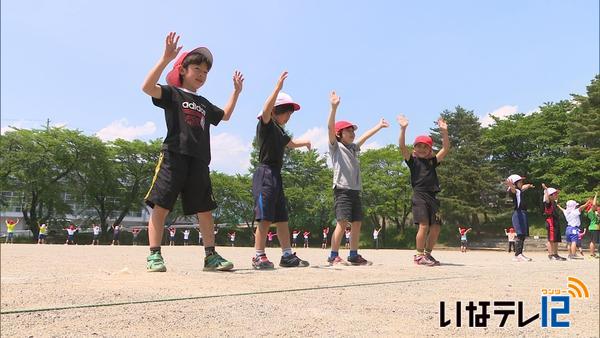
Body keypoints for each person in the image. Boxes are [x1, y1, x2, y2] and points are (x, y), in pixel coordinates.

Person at [141, 32, 242, 272]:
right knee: (161, 206)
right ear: (183, 70)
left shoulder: (204, 103)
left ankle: (211, 256)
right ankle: (154, 255)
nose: (201, 74)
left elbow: (225, 116)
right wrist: (166, 58)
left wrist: (236, 92)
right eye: (197, 68)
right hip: (174, 156)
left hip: (199, 161)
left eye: (206, 72)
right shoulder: (173, 93)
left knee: (205, 210)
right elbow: (146, 87)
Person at [251, 72, 310, 270]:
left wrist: (306, 143)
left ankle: (287, 255)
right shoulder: (267, 125)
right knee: (265, 217)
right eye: (287, 113)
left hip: (276, 174)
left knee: (281, 218)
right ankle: (258, 255)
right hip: (265, 173)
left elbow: (290, 144)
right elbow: (266, 111)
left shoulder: (280, 131)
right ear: (277, 111)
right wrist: (276, 89)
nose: (289, 118)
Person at [327, 91, 389, 265]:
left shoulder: (353, 148)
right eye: (348, 131)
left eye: (352, 131)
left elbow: (365, 137)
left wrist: (378, 126)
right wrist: (333, 108)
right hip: (342, 190)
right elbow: (330, 128)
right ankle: (333, 255)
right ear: (339, 133)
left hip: (355, 190)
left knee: (357, 223)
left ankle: (353, 255)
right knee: (342, 222)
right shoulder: (336, 147)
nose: (352, 133)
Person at [398, 114, 450, 266]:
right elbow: (402, 147)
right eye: (418, 146)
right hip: (419, 196)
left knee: (436, 227)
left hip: (433, 197)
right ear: (414, 149)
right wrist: (403, 129)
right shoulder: (412, 162)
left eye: (425, 146)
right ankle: (419, 255)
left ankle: (427, 253)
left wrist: (444, 132)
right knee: (424, 225)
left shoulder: (433, 162)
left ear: (429, 149)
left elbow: (446, 148)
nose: (421, 148)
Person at [505, 174, 534, 262]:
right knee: (520, 234)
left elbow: (524, 187)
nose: (522, 183)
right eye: (520, 181)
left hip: (522, 213)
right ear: (515, 183)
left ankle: (519, 254)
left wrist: (529, 185)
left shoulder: (520, 190)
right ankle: (518, 255)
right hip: (518, 213)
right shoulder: (514, 190)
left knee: (523, 235)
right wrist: (511, 186)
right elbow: (513, 190)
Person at [541, 184, 566, 261]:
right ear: (550, 195)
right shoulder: (548, 203)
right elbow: (547, 198)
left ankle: (555, 254)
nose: (556, 195)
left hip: (555, 221)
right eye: (555, 194)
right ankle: (551, 254)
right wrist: (546, 190)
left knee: (556, 239)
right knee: (551, 239)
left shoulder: (554, 202)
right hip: (551, 221)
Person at [585, 193, 599, 259]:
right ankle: (592, 254)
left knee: (593, 241)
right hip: (594, 228)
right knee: (593, 241)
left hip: (594, 228)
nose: (596, 206)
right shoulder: (591, 211)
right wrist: (596, 195)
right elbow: (594, 204)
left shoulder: (594, 212)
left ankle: (592, 253)